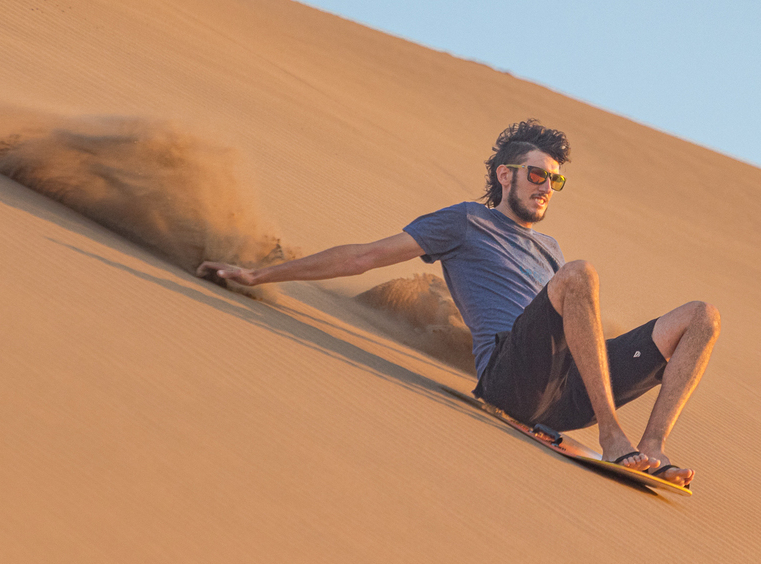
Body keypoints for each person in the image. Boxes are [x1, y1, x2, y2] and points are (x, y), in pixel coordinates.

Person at [197, 120, 720, 485]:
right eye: (537, 174)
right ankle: (613, 435)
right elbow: (365, 257)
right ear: (505, 175)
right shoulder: (465, 221)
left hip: (570, 391)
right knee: (580, 275)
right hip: (510, 377)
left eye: (555, 180)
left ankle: (651, 446)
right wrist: (260, 274)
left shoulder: (549, 247)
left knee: (701, 316)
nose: (546, 188)